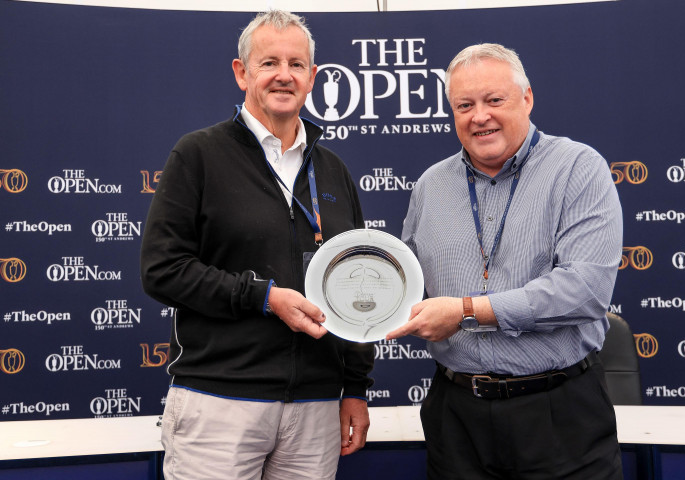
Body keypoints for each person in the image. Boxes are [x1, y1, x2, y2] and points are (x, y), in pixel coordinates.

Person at [140, 10, 374, 480]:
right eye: (269, 63)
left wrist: (355, 387)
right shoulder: (198, 155)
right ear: (241, 72)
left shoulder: (333, 170)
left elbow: (355, 280)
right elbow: (162, 269)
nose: (284, 75)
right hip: (220, 402)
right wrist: (263, 297)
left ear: (312, 77)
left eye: (296, 64)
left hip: (316, 406)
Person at [387, 43, 624, 479]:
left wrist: (465, 312)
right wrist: (356, 301)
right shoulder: (430, 186)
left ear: (527, 98)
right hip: (456, 419)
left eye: (494, 100)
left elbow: (584, 291)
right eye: (464, 105)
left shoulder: (578, 168)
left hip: (558, 414)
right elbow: (403, 283)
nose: (480, 116)